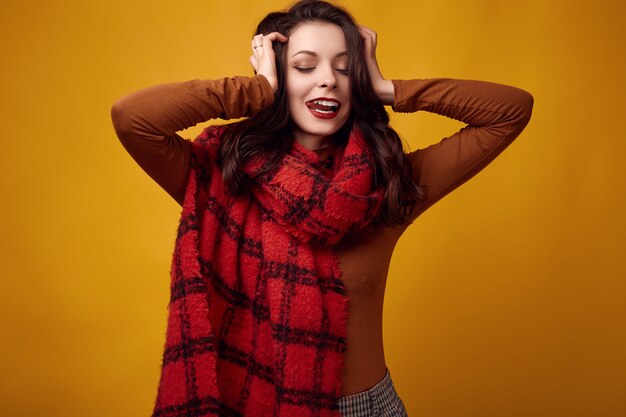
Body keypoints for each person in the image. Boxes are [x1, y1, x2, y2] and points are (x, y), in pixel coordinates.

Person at [110, 1, 533, 416]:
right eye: (305, 66)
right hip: (251, 405)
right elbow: (134, 118)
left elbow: (510, 111)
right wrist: (258, 90)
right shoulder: (224, 175)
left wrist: (386, 88)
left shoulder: (388, 184)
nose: (328, 80)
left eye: (345, 68)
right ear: (278, 74)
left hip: (365, 409)